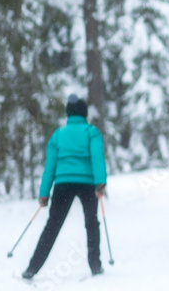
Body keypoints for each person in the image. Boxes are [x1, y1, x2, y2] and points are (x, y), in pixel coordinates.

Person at [22, 94, 107, 279]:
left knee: (52, 226)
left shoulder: (58, 135)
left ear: (68, 115)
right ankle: (95, 265)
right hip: (87, 183)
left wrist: (44, 193)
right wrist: (100, 182)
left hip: (63, 184)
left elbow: (50, 167)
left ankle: (32, 268)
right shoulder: (91, 132)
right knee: (91, 223)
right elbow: (97, 157)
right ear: (85, 114)